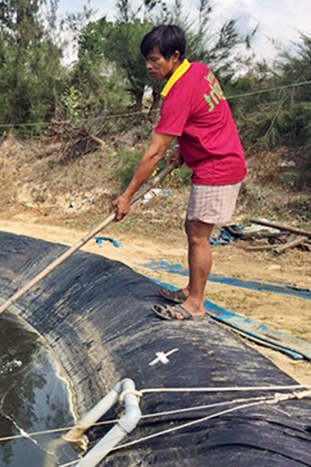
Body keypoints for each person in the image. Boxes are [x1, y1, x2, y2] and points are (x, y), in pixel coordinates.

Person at [110, 25, 246, 321]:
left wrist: (127, 196)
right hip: (218, 157)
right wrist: (186, 148)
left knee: (198, 236)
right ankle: (190, 289)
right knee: (192, 228)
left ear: (174, 56)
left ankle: (195, 304)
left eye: (155, 60)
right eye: (146, 59)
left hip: (218, 166)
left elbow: (154, 152)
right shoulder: (198, 71)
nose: (149, 66)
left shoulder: (178, 95)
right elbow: (208, 116)